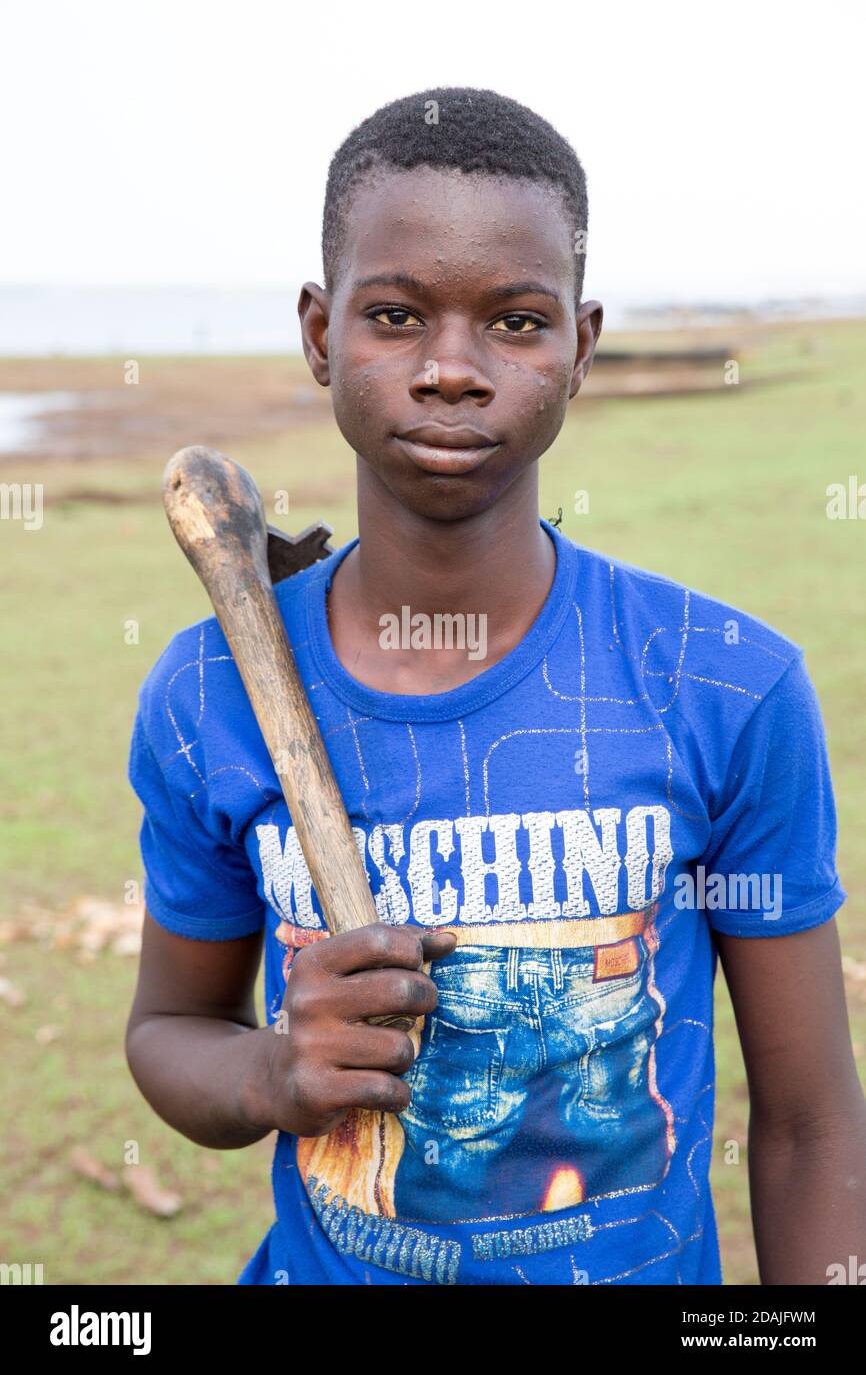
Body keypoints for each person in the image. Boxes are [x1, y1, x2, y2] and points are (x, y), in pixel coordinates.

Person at [126, 87, 865, 1285]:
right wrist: (268, 1071)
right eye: (396, 315)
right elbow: (168, 1033)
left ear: (581, 342)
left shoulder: (724, 685)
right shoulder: (211, 688)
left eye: (516, 322)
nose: (452, 370)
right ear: (320, 334)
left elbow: (808, 1127)